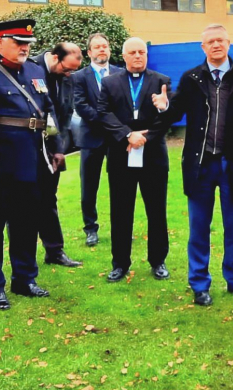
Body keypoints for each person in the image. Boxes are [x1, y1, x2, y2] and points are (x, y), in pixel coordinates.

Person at [152, 24, 233, 306]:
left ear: (229, 43)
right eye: (210, 42)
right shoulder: (191, 78)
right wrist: (165, 106)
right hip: (200, 165)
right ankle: (199, 284)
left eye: (220, 40)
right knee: (199, 227)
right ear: (202, 47)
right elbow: (175, 113)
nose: (216, 45)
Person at [0, 19, 63, 310]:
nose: (24, 48)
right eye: (18, 43)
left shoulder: (35, 69)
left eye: (27, 44)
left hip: (33, 159)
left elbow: (49, 111)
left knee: (26, 222)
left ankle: (25, 278)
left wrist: (57, 147)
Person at [98, 37, 171, 283]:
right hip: (122, 154)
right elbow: (103, 113)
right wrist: (127, 135)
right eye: (133, 52)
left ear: (146, 55)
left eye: (142, 52)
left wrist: (146, 135)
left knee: (157, 211)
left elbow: (167, 118)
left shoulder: (161, 81)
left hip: (153, 157)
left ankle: (158, 261)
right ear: (124, 56)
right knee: (120, 211)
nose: (138, 56)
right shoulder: (109, 83)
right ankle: (120, 263)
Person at [29, 43, 83, 268]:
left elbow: (63, 115)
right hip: (29, 148)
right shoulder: (30, 70)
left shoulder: (67, 79)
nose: (69, 74)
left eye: (72, 70)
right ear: (53, 57)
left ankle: (54, 251)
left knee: (48, 199)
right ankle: (25, 255)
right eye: (66, 69)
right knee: (25, 203)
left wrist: (59, 148)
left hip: (53, 148)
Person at [73, 34, 122, 246]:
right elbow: (80, 105)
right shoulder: (79, 77)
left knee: (120, 186)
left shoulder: (121, 73)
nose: (102, 49)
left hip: (117, 139)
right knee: (89, 187)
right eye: (97, 47)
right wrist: (105, 120)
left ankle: (121, 227)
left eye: (105, 46)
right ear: (89, 53)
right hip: (91, 137)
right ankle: (90, 229)